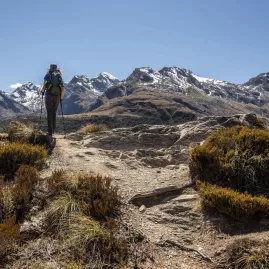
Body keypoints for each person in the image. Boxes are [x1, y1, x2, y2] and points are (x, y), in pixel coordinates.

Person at [41, 64, 64, 140]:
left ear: (50, 68)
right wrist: (61, 98)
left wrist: (42, 91)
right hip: (57, 96)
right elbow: (62, 89)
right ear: (57, 69)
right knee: (54, 112)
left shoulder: (47, 75)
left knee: (49, 112)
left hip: (48, 95)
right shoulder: (59, 76)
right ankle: (53, 130)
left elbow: (44, 85)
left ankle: (50, 131)